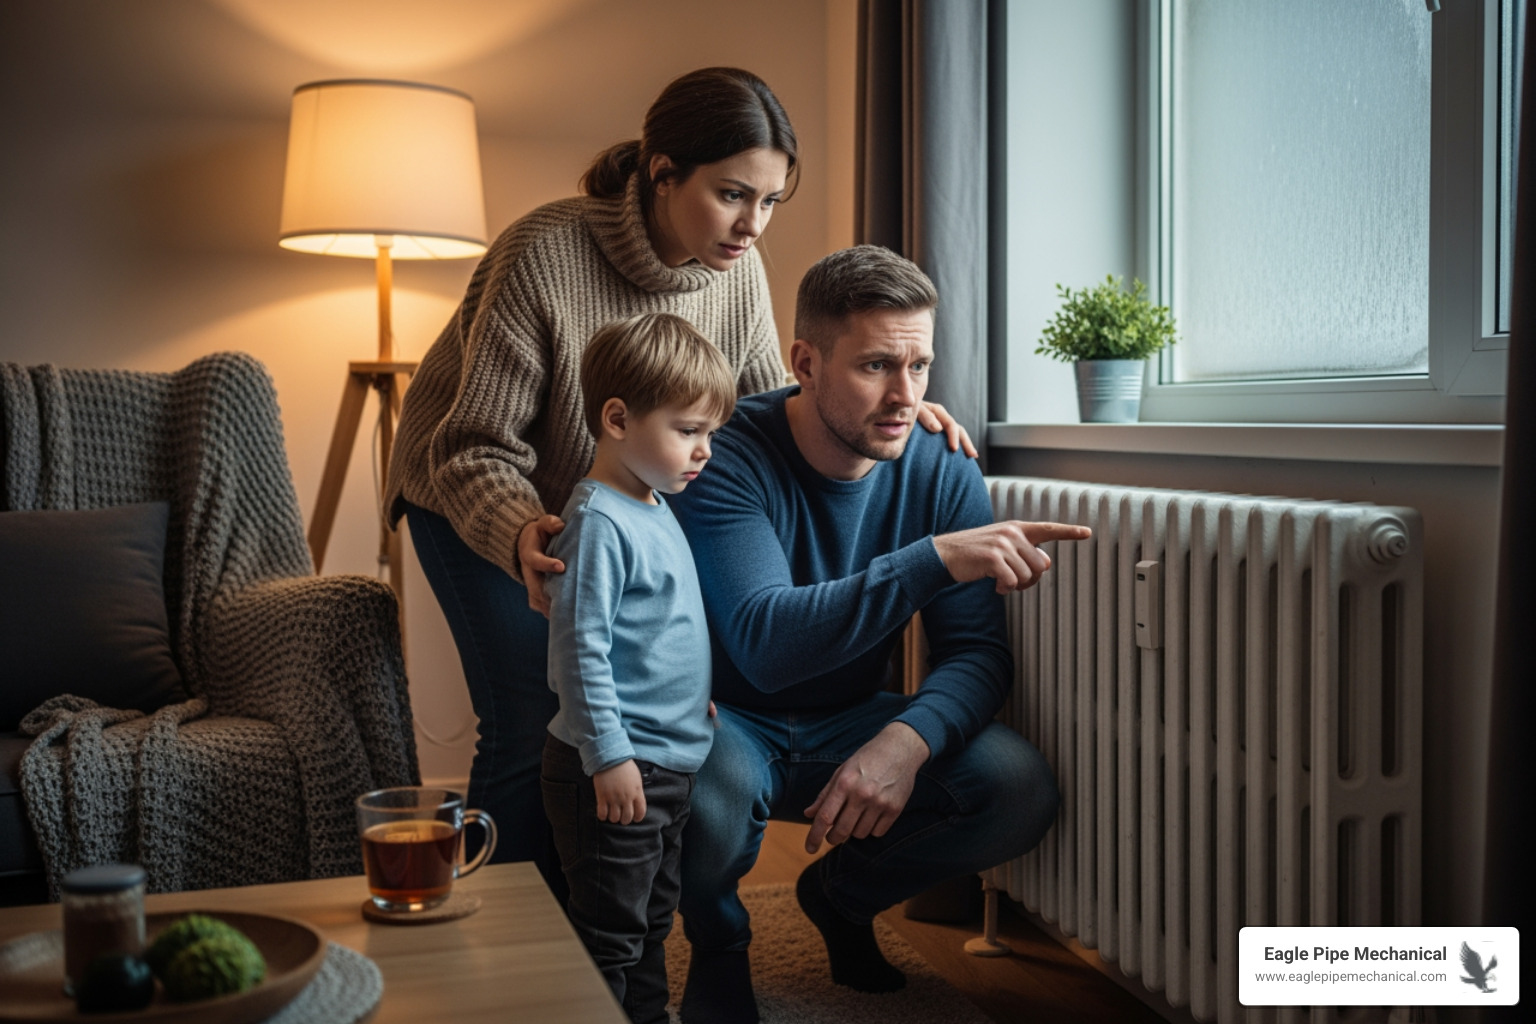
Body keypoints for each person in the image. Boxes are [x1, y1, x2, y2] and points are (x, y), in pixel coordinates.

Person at [384, 67, 974, 895]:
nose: (753, 224)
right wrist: (521, 532)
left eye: (770, 201)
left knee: (613, 710)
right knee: (533, 713)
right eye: (733, 195)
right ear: (663, 173)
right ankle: (501, 933)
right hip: (480, 490)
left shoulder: (736, 271)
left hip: (618, 506)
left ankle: (587, 926)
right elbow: (472, 444)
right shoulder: (541, 254)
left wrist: (891, 401)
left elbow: (768, 413)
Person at [667, 245, 1091, 1024]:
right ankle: (720, 945)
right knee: (701, 780)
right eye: (875, 366)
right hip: (731, 716)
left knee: (1017, 784)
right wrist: (931, 560)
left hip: (851, 720)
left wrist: (907, 742)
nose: (905, 395)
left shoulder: (942, 466)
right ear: (806, 362)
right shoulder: (724, 456)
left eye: (919, 366)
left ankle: (841, 898)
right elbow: (765, 644)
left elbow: (976, 653)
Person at [541, 312, 734, 1024]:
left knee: (652, 923)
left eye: (710, 433)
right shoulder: (598, 523)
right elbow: (579, 650)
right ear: (618, 419)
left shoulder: (652, 503)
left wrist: (690, 696)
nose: (704, 450)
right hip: (618, 768)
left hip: (666, 762)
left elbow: (654, 633)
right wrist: (609, 755)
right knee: (609, 935)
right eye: (688, 430)